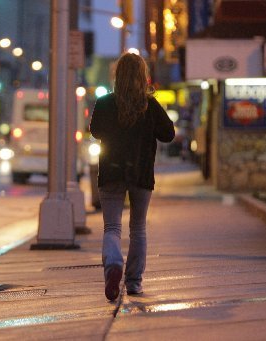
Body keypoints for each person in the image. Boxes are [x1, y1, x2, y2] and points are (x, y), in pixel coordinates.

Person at [89, 52, 175, 301]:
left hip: (111, 171)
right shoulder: (150, 105)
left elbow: (95, 131)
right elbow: (168, 134)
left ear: (117, 75)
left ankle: (113, 265)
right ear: (142, 76)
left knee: (112, 227)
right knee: (138, 228)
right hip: (141, 173)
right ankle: (134, 282)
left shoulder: (105, 103)